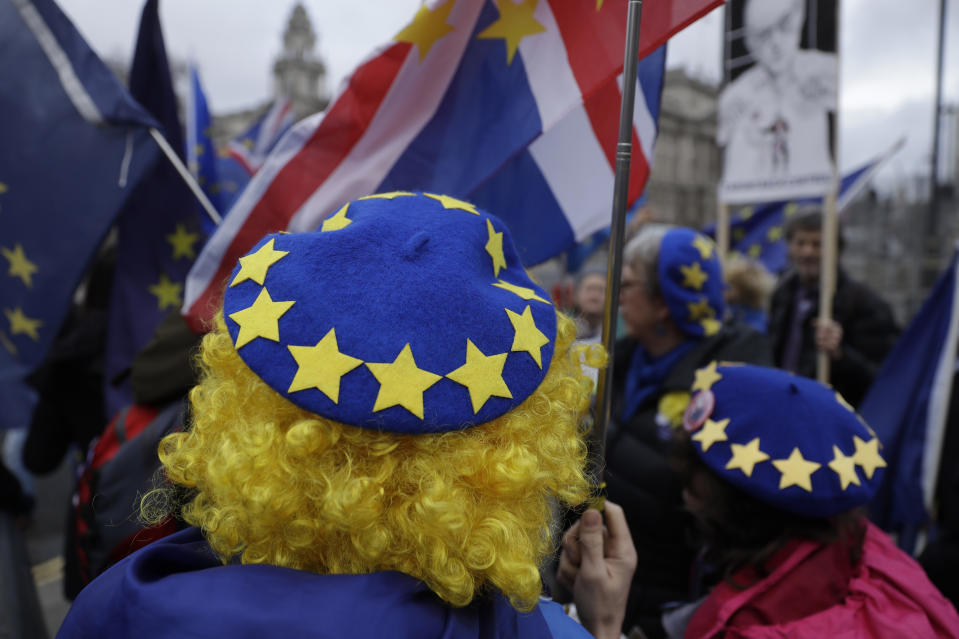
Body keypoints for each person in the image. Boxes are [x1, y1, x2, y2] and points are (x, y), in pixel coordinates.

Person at [58, 192, 635, 639]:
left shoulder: (116, 607)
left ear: (246, 410)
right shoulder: (528, 629)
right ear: (514, 447)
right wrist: (600, 625)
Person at [670, 362, 959, 637]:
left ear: (740, 507)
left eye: (694, 484)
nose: (685, 495)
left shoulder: (746, 628)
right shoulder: (867, 545)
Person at [605, 225, 771, 638]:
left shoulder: (733, 380)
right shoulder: (614, 362)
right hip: (602, 583)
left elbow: (694, 496)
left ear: (665, 302)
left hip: (673, 605)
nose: (617, 296)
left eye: (628, 285)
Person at [768, 207, 899, 407]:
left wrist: (840, 354)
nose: (807, 252)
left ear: (837, 249)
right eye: (800, 243)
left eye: (817, 244)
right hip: (783, 407)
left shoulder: (865, 304)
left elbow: (884, 377)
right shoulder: (781, 294)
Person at [718, 0, 836, 192]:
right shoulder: (736, 95)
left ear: (799, 22)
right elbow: (723, 138)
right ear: (751, 42)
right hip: (753, 192)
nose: (775, 43)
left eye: (784, 26)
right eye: (763, 34)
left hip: (813, 189)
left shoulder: (823, 71)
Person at [723, 255, 775, 334]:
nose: (723, 289)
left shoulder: (755, 325)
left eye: (729, 285)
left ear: (741, 290)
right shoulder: (731, 310)